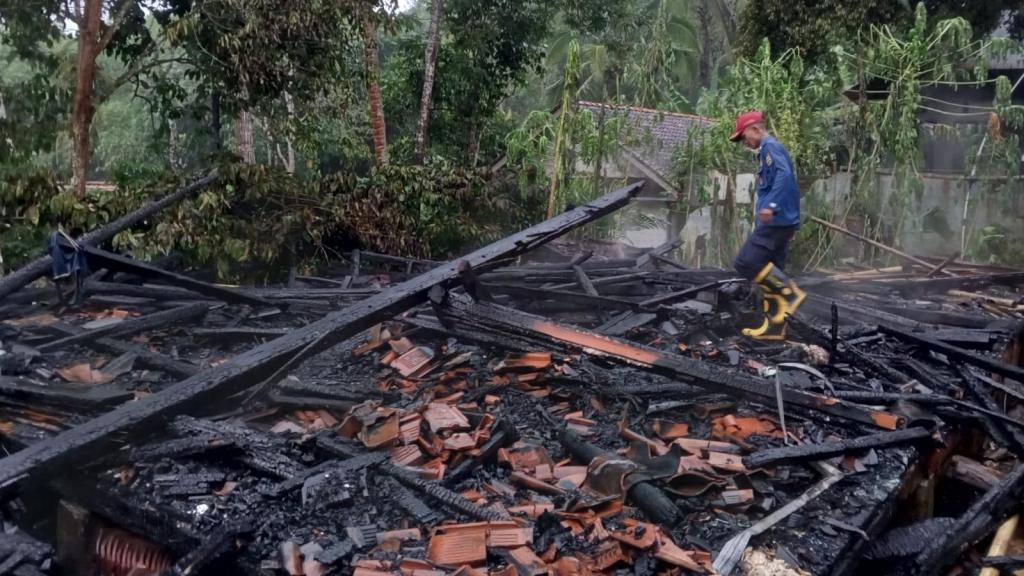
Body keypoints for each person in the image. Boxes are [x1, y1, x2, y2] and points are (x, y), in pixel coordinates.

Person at [729, 111, 805, 340]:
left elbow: (785, 177)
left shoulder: (770, 148)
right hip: (783, 221)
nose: (746, 143)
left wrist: (771, 205)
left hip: (775, 220)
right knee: (774, 267)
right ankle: (775, 328)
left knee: (746, 262)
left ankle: (789, 294)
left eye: (744, 137)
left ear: (755, 129)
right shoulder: (768, 150)